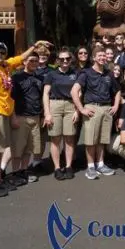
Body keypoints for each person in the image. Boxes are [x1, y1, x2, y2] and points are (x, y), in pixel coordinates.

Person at [0, 40, 51, 198]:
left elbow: (19, 58)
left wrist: (34, 45)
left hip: (4, 113)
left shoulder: (4, 67)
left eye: (1, 52)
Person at [71, 46, 122, 180]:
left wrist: (116, 105)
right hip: (92, 108)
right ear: (94, 58)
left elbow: (117, 91)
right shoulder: (86, 73)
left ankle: (100, 164)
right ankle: (91, 167)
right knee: (90, 140)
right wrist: (81, 109)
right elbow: (74, 91)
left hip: (106, 109)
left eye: (104, 55)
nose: (102, 57)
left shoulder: (108, 74)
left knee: (102, 139)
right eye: (99, 55)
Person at [42, 48, 79, 181]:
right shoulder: (51, 74)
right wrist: (47, 113)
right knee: (55, 138)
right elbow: (45, 93)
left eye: (67, 59)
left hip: (71, 105)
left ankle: (69, 166)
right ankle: (57, 167)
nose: (65, 61)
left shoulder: (76, 73)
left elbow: (79, 92)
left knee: (69, 138)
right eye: (62, 59)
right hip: (55, 105)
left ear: (71, 60)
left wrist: (77, 110)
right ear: (57, 60)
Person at [10, 52, 43, 182]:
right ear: (24, 62)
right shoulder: (17, 78)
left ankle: (23, 171)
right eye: (31, 60)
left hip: (35, 117)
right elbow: (10, 99)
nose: (34, 63)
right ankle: (15, 173)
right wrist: (13, 117)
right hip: (21, 117)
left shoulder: (39, 78)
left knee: (29, 148)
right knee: (18, 149)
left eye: (36, 61)